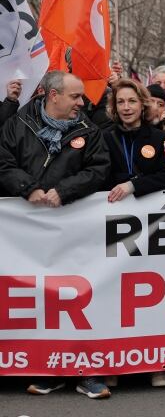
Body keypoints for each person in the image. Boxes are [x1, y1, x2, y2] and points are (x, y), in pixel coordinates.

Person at [0, 71, 111, 399]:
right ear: (52, 96)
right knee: (41, 301)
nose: (81, 102)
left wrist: (62, 191)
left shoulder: (89, 131)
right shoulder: (18, 125)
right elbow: (4, 163)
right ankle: (50, 369)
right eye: (75, 96)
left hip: (75, 231)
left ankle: (89, 371)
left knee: (84, 300)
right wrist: (29, 188)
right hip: (27, 235)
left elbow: (98, 169)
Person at [102, 79, 165, 389]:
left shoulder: (162, 139)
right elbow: (100, 174)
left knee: (152, 299)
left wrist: (134, 185)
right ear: (114, 107)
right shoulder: (104, 138)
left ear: (142, 103)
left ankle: (156, 367)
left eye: (131, 101)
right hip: (117, 231)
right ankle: (113, 365)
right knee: (116, 299)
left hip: (152, 232)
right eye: (120, 102)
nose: (126, 107)